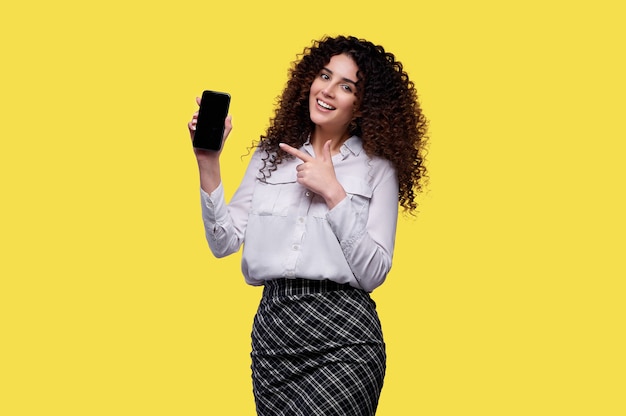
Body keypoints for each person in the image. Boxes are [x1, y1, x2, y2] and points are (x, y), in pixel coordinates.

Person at [187, 35, 428, 416]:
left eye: (346, 86)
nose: (328, 90)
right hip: (274, 336)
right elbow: (224, 242)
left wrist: (334, 193)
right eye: (325, 76)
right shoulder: (269, 156)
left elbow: (375, 271)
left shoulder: (376, 169)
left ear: (363, 105)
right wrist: (208, 161)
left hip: (344, 337)